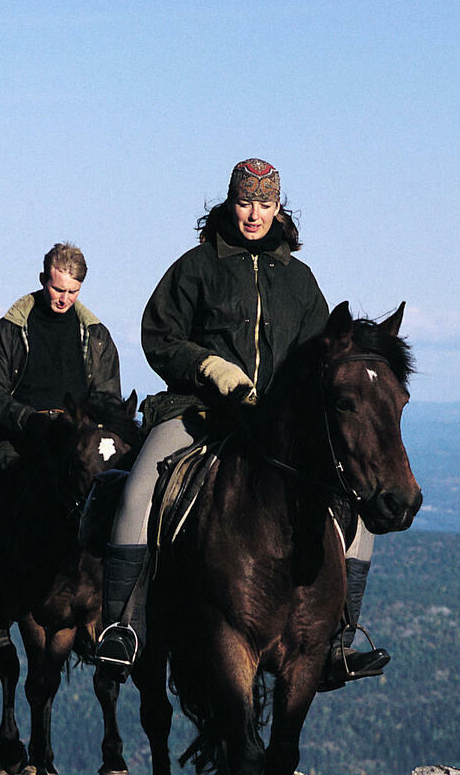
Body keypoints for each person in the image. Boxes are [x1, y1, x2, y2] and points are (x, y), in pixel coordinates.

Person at [94, 158, 391, 688]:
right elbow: (159, 335)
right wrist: (209, 367)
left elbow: (318, 356)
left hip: (278, 427)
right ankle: (123, 626)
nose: (253, 214)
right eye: (244, 202)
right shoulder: (195, 267)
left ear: (279, 209)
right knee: (139, 491)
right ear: (229, 203)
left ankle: (338, 642)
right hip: (197, 412)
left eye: (265, 204)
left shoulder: (300, 281)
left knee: (358, 508)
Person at [0, 243, 123, 649]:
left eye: (73, 291)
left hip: (77, 441)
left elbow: (108, 397)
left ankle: (117, 614)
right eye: (58, 288)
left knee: (120, 502)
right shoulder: (10, 329)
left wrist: (84, 427)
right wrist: (28, 420)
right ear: (44, 279)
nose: (64, 298)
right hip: (20, 438)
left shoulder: (96, 336)